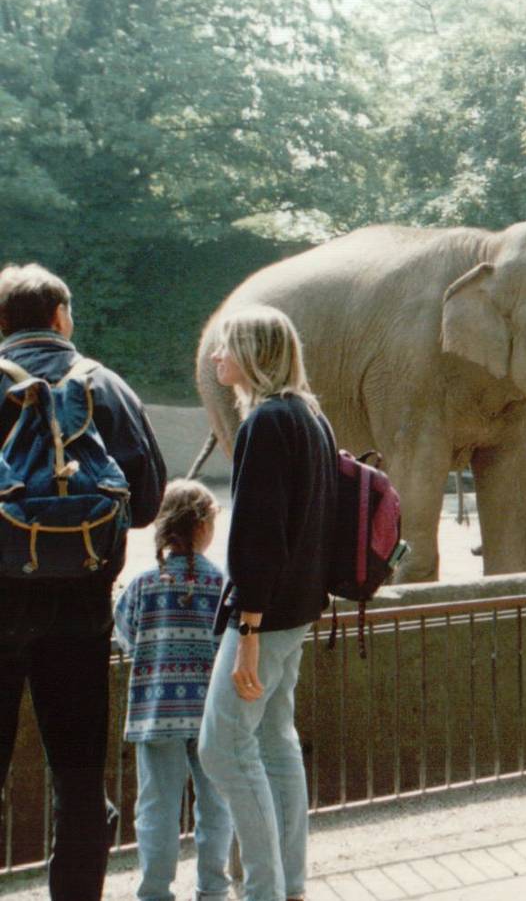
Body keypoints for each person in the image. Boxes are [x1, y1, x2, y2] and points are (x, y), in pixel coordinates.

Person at [0, 263, 167, 901]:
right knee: (77, 782)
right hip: (81, 613)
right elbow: (146, 503)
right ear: (61, 317)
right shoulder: (106, 386)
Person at [197, 306, 338, 901]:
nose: (216, 356)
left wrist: (247, 634)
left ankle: (263, 889)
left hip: (264, 618)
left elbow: (259, 535)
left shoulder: (265, 423)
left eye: (226, 346)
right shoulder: (310, 417)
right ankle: (288, 884)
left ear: (254, 355)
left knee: (223, 749)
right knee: (276, 742)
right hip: (299, 610)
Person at [113, 481, 231, 901]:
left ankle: (154, 891)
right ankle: (213, 888)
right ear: (202, 526)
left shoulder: (143, 584)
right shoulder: (221, 584)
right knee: (216, 804)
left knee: (156, 808)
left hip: (156, 712)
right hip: (211, 714)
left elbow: (126, 636)